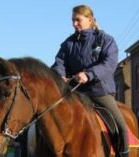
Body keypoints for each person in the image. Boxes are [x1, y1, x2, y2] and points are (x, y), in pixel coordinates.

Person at [51, 4, 129, 157]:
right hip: (74, 93)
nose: (74, 24)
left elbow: (109, 63)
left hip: (99, 92)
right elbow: (59, 62)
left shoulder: (106, 40)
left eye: (78, 20)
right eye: (73, 20)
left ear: (90, 19)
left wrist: (89, 74)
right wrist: (59, 75)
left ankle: (124, 153)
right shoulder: (68, 43)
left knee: (122, 127)